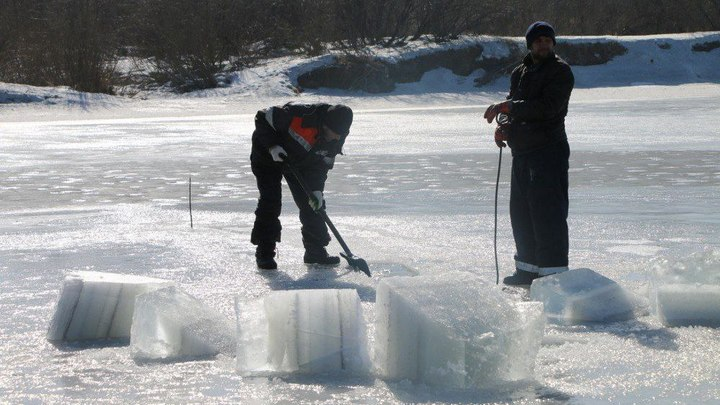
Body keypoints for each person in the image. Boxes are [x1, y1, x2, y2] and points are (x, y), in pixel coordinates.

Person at [483, 21, 574, 286]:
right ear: (530, 44)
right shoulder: (520, 72)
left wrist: (510, 106)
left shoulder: (560, 72)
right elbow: (519, 112)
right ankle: (527, 270)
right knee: (521, 213)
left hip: (548, 152)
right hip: (522, 153)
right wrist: (506, 130)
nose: (544, 44)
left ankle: (552, 274)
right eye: (538, 41)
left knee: (548, 214)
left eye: (548, 40)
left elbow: (548, 108)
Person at [250, 102, 353, 270]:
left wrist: (317, 190)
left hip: (300, 161)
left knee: (312, 202)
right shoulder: (299, 116)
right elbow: (262, 116)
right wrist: (273, 146)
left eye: (339, 135)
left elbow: (322, 164)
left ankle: (315, 251)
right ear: (324, 124)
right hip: (267, 154)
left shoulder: (338, 134)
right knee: (271, 201)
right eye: (332, 133)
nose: (335, 138)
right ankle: (264, 253)